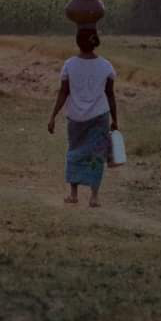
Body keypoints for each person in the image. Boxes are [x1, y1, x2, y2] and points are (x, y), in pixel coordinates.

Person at [47, 28, 117, 207]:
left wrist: (53, 115)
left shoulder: (69, 65)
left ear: (78, 42)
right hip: (99, 116)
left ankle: (73, 194)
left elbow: (63, 92)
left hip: (76, 117)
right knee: (96, 156)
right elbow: (110, 95)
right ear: (96, 42)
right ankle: (94, 196)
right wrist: (115, 119)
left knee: (75, 152)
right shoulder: (106, 66)